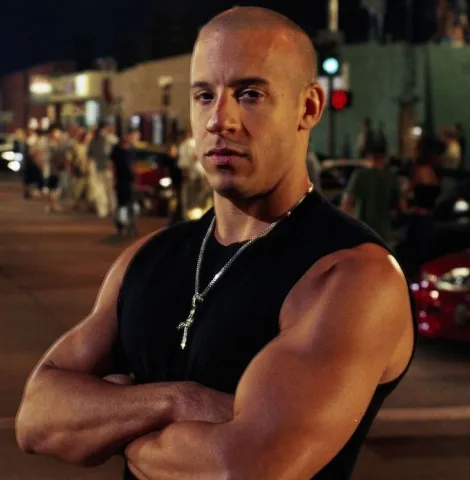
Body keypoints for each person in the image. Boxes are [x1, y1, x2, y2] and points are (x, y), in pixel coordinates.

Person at [16, 7, 415, 480]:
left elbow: (240, 468)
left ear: (308, 108)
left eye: (250, 94)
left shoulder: (352, 276)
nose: (219, 120)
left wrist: (114, 419)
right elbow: (37, 419)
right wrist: (177, 400)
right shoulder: (146, 258)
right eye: (204, 95)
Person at [340, 144, 403, 245]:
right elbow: (400, 206)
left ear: (369, 157)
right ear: (385, 157)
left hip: (363, 232)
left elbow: (347, 203)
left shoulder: (360, 175)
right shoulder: (391, 178)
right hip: (384, 234)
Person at [110, 129, 140, 237]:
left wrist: (135, 176)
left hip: (130, 181)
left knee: (131, 205)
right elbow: (112, 165)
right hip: (120, 180)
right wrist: (113, 179)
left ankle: (131, 226)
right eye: (134, 136)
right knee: (121, 205)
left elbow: (133, 165)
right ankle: (120, 227)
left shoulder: (132, 149)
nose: (135, 138)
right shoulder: (117, 149)